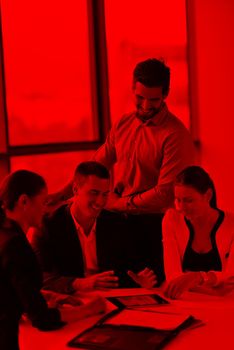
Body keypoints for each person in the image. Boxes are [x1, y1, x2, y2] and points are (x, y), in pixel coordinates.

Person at [47, 58, 195, 214]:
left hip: (154, 221)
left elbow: (165, 193)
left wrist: (119, 204)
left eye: (153, 100)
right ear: (132, 88)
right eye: (140, 97)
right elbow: (96, 167)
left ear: (166, 94)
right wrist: (61, 195)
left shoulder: (175, 135)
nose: (145, 106)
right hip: (120, 214)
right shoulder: (123, 124)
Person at [31, 161, 158, 295]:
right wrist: (81, 283)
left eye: (105, 194)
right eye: (94, 193)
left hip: (109, 298)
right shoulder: (48, 225)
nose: (100, 201)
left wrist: (140, 282)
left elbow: (127, 272)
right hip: (71, 300)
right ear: (75, 190)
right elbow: (40, 277)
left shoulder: (116, 222)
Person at [0, 170, 65, 350]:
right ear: (24, 201)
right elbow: (41, 318)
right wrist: (89, 310)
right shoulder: (15, 245)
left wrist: (40, 295)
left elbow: (9, 286)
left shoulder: (4, 234)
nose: (46, 209)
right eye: (43, 202)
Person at [162, 166, 234, 299]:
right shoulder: (171, 219)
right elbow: (173, 278)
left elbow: (231, 278)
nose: (181, 208)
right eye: (178, 200)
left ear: (208, 195)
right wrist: (215, 287)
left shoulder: (231, 224)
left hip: (225, 306)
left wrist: (197, 277)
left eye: (189, 200)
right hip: (187, 302)